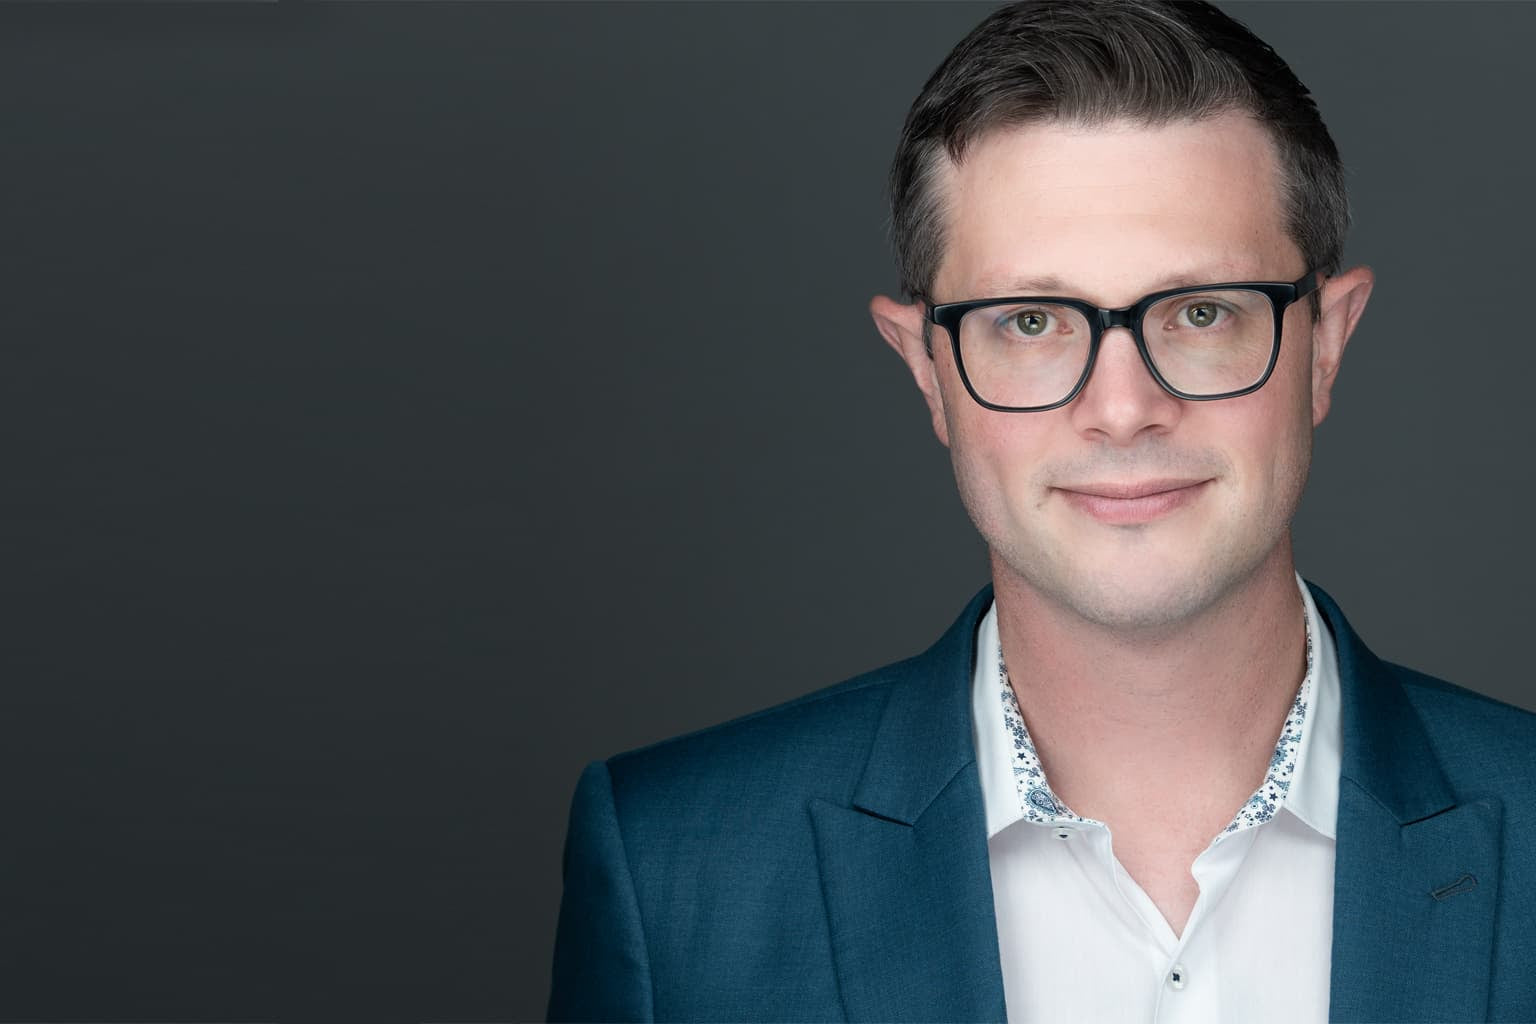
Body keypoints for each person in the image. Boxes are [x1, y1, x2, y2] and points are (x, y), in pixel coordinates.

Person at [546, 2, 1536, 1020]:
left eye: (1202, 313)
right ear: (927, 369)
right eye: (1030, 322)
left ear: (1325, 344)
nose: (1122, 410)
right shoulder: (674, 874)